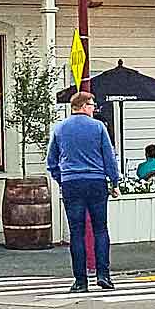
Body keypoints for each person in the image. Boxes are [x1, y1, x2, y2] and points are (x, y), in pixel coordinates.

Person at [46, 90, 118, 292]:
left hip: (72, 183)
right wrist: (114, 182)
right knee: (100, 229)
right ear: (85, 106)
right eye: (93, 105)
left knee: (76, 233)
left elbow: (51, 161)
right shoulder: (98, 127)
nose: (94, 109)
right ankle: (103, 275)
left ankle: (80, 281)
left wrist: (62, 179)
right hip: (95, 182)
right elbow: (109, 157)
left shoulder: (60, 128)